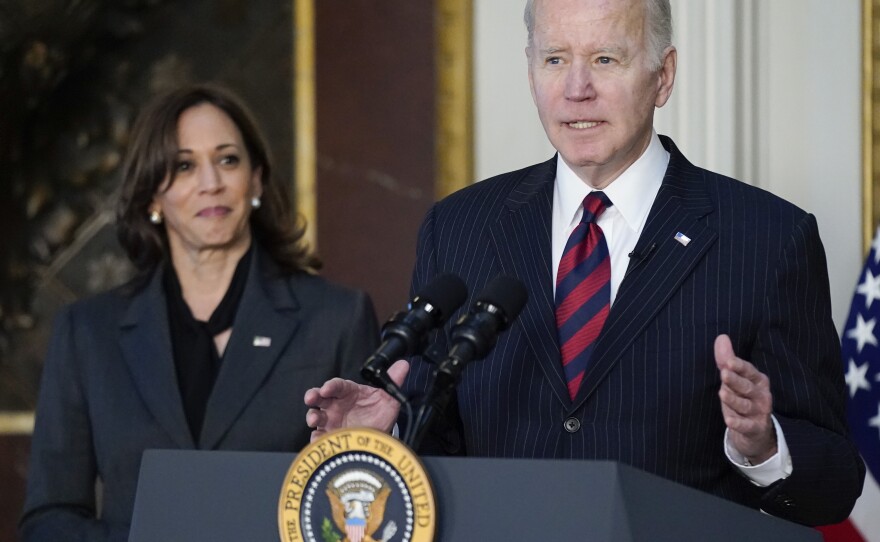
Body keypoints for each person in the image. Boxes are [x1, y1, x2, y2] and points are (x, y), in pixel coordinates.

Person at [305, 0, 865, 526]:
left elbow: (836, 485)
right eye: (555, 59)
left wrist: (763, 445)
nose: (577, 89)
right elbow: (442, 440)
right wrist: (387, 435)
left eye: (605, 59)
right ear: (531, 74)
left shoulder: (766, 238)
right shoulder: (458, 228)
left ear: (663, 77)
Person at [20, 84, 379, 541]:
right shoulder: (88, 332)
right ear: (152, 195)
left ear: (257, 180)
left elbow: (367, 501)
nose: (211, 182)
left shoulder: (336, 317)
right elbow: (49, 518)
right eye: (184, 165)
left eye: (228, 159)